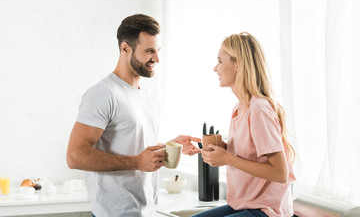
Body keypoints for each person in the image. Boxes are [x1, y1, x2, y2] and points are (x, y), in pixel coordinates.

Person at [66, 14, 201, 217]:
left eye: (157, 51)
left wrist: (170, 146)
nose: (156, 59)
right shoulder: (103, 94)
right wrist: (136, 162)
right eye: (149, 51)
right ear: (125, 49)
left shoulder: (143, 93)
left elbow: (133, 146)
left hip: (144, 211)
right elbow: (74, 156)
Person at [193, 33, 295, 217]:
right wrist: (224, 151)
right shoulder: (240, 109)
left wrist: (228, 159)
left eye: (220, 61)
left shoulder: (258, 110)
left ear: (238, 64)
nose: (215, 68)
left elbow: (280, 173)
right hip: (243, 204)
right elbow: (253, 156)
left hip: (265, 211)